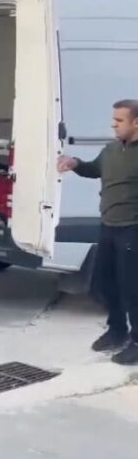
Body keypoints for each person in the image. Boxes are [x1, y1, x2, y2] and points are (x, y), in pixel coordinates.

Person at [59, 99, 138, 365]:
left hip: (132, 229)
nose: (112, 124)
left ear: (136, 122)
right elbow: (94, 170)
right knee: (103, 282)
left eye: (119, 121)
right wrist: (75, 162)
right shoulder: (111, 150)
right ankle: (117, 330)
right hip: (108, 226)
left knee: (132, 288)